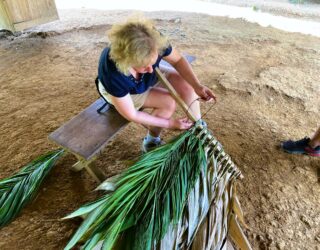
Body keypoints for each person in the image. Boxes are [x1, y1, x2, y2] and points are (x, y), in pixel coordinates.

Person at [97, 16, 216, 152]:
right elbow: (132, 114)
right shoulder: (113, 74)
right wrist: (170, 124)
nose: (151, 70)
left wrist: (197, 86)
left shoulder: (151, 40)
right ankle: (151, 141)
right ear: (127, 62)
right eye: (144, 66)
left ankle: (198, 128)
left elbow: (177, 61)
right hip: (126, 92)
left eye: (152, 62)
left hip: (140, 79)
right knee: (168, 102)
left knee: (185, 83)